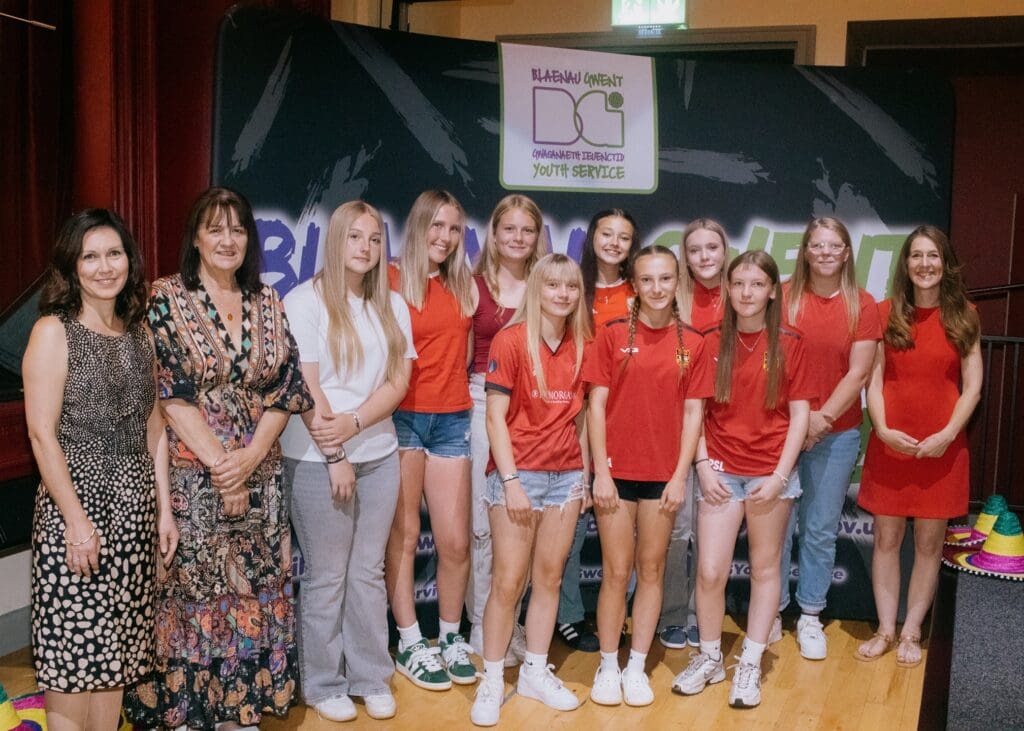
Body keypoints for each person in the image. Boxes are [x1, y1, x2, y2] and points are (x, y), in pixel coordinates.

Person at [125, 187, 312, 730]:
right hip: (192, 478)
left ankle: (239, 711)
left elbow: (287, 389)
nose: (227, 240)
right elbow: (168, 392)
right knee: (196, 592)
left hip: (261, 479)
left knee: (254, 590)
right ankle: (190, 712)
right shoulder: (164, 298)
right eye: (215, 228)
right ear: (196, 237)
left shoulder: (269, 299)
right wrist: (222, 464)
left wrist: (248, 460)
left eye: (238, 229)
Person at [26, 209, 176, 731]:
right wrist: (75, 522)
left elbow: (153, 426)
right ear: (72, 266)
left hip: (133, 512)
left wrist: (164, 511)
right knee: (73, 662)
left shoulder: (138, 333)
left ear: (129, 262)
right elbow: (42, 435)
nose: (104, 266)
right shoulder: (52, 331)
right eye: (90, 256)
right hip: (78, 512)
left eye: (114, 254)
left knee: (115, 658)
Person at [280, 201, 415, 722]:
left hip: (378, 454)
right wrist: (335, 452)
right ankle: (322, 682)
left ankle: (370, 676)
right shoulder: (304, 300)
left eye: (375, 239)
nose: (365, 247)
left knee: (366, 573)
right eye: (355, 237)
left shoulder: (392, 306)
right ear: (335, 241)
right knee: (328, 576)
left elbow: (398, 383)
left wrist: (357, 425)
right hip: (316, 458)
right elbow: (307, 387)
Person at [672, 250, 811, 709]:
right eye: (739, 284)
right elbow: (697, 412)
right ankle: (710, 656)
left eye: (756, 284)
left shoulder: (791, 341)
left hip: (771, 475)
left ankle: (749, 662)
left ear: (773, 290)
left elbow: (799, 416)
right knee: (710, 570)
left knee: (766, 568)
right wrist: (702, 464)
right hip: (720, 472)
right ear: (728, 290)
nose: (747, 292)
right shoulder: (711, 341)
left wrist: (780, 475)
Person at [587, 245, 711, 707]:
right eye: (646, 280)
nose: (656, 288)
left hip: (664, 477)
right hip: (616, 476)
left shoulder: (694, 343)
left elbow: (694, 413)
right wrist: (600, 471)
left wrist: (681, 475)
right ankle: (607, 664)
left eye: (665, 279)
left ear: (675, 283)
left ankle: (636, 666)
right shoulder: (611, 334)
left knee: (652, 568)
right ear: (633, 286)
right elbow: (596, 405)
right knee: (617, 571)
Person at [470, 253, 590, 726]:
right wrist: (511, 480)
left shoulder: (584, 343)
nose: (563, 295)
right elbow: (494, 416)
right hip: (518, 477)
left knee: (550, 580)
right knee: (507, 581)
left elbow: (580, 419)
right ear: (537, 288)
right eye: (553, 285)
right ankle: (493, 677)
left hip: (565, 480)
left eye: (572, 287)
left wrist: (581, 476)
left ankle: (536, 673)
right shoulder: (511, 339)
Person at [854, 225, 982, 667]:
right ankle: (886, 629)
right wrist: (883, 430)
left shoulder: (964, 314)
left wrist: (947, 435)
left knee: (929, 545)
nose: (925, 264)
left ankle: (912, 631)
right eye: (916, 256)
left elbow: (973, 387)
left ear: (945, 264)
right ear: (905, 264)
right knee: (886, 539)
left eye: (933, 256)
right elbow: (872, 379)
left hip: (943, 451)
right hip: (891, 446)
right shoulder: (886, 313)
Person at [773, 217, 880, 659]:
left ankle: (811, 615)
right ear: (804, 250)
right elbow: (766, 358)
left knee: (817, 529)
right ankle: (772, 610)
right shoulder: (781, 295)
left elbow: (859, 372)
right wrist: (799, 421)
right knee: (775, 531)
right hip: (779, 431)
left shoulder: (863, 303)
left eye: (833, 245)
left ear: (847, 252)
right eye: (816, 245)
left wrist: (818, 420)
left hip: (835, 434)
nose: (824, 253)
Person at [386, 189, 477, 690]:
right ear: (419, 226)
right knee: (402, 536)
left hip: (452, 420)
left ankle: (448, 635)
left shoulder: (463, 285)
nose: (444, 237)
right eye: (435, 226)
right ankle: (409, 641)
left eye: (454, 228)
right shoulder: (389, 279)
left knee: (455, 540)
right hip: (400, 419)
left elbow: (461, 355)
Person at [555, 209, 640, 653]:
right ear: (591, 237)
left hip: (627, 421)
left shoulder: (641, 291)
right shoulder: (572, 287)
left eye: (623, 237)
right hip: (571, 418)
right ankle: (566, 614)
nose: (614, 243)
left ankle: (621, 613)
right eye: (606, 234)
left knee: (630, 534)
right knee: (569, 529)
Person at [466, 194, 546, 663]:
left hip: (537, 412)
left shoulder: (548, 284)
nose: (518, 238)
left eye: (527, 230)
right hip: (482, 406)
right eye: (509, 229)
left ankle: (512, 626)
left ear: (538, 237)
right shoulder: (474, 286)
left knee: (526, 526)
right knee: (486, 527)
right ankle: (483, 627)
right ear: (493, 235)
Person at [659, 218, 729, 651]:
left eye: (712, 247)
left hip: (732, 428)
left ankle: (705, 618)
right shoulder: (674, 301)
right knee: (677, 530)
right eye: (695, 249)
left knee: (713, 533)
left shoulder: (742, 294)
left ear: (725, 250)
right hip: (682, 429)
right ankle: (672, 614)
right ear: (685, 256)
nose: (705, 257)